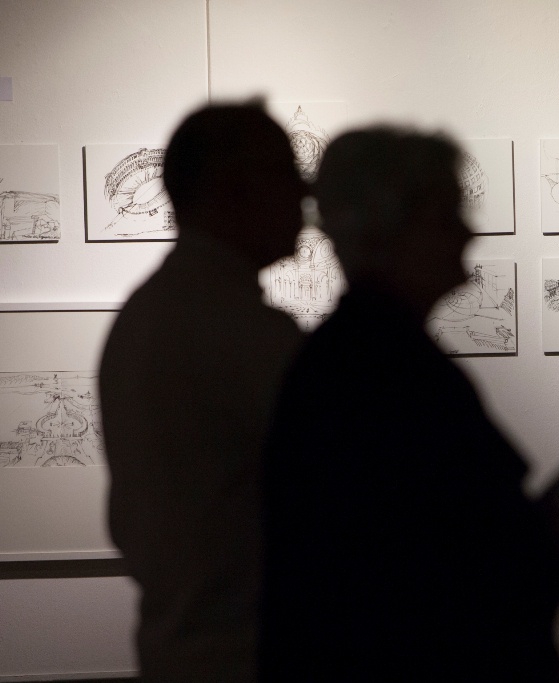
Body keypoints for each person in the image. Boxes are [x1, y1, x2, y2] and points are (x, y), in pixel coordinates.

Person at [261, 126, 559, 681]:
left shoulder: (361, 358)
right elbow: (431, 577)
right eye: (446, 215)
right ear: (388, 229)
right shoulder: (384, 372)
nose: (468, 233)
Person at [99, 102, 307, 682]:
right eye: (284, 174)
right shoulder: (237, 328)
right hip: (244, 655)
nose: (303, 194)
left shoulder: (149, 312)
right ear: (228, 189)